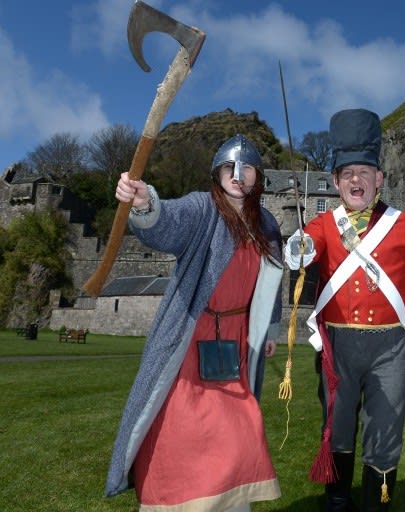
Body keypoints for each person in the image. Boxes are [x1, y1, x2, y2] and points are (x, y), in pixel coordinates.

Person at [104, 134, 283, 512]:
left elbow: (273, 280)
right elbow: (168, 223)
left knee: (238, 432)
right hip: (191, 336)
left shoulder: (266, 223)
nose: (238, 175)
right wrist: (145, 202)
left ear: (258, 176)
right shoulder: (202, 208)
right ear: (216, 173)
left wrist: (269, 327)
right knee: (183, 431)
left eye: (247, 168)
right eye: (229, 168)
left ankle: (233, 505)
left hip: (237, 340)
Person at [283, 108, 405, 512]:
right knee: (337, 430)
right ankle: (337, 502)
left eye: (365, 173)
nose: (357, 181)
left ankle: (379, 505)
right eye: (348, 174)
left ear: (380, 179)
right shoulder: (323, 224)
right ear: (336, 182)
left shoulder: (404, 225)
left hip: (391, 348)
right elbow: (306, 249)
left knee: (386, 433)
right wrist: (297, 247)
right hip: (337, 347)